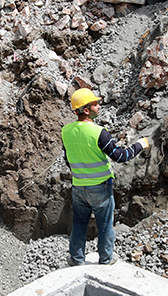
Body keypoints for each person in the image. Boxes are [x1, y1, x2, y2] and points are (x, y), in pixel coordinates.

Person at [61, 88, 151, 266]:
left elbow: (68, 159)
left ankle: (77, 259)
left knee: (79, 224)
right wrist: (140, 144)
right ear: (86, 110)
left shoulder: (66, 131)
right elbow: (121, 156)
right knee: (104, 225)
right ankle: (106, 259)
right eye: (95, 104)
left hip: (78, 187)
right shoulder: (98, 132)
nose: (99, 106)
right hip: (100, 188)